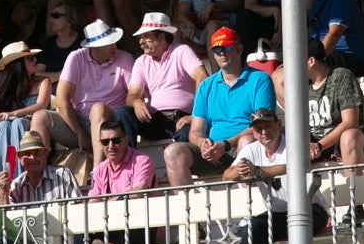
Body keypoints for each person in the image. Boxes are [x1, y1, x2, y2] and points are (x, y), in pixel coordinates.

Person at [224, 106, 329, 244]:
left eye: (268, 126)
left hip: (312, 211)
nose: (264, 132)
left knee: (252, 228)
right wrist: (241, 170)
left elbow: (294, 166)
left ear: (279, 125)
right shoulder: (252, 149)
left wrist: (258, 171)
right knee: (249, 232)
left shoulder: (293, 144)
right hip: (280, 215)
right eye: (258, 129)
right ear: (254, 133)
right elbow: (226, 176)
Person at [163, 28, 276, 187]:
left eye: (228, 48)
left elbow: (263, 125)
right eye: (217, 49)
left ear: (239, 49)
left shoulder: (260, 79)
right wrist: (204, 144)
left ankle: (251, 207)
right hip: (216, 150)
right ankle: (188, 209)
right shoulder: (206, 86)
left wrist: (225, 144)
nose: (222, 53)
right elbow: (195, 132)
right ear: (213, 54)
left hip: (244, 146)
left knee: (247, 142)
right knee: (173, 152)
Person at [50, 19, 133, 166]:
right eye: (108, 43)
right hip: (79, 121)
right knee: (40, 118)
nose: (114, 46)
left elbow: (133, 94)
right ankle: (41, 178)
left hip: (112, 120)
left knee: (98, 108)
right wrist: (81, 134)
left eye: (114, 41)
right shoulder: (76, 58)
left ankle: (98, 173)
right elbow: (62, 99)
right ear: (94, 47)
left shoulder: (125, 58)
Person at [119, 12, 207, 145]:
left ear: (161, 37)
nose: (141, 41)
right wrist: (136, 102)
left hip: (184, 118)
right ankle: (130, 162)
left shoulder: (181, 51)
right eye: (141, 37)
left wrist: (196, 115)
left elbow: (202, 78)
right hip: (155, 119)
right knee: (124, 113)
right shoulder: (141, 61)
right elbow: (132, 95)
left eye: (146, 37)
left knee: (186, 138)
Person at [0, 41, 53, 176]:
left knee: (17, 122)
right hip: (10, 142)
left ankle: (21, 175)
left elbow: (41, 105)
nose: (35, 60)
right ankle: (3, 176)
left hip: (35, 132)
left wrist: (13, 114)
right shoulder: (5, 89)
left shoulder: (43, 81)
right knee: (4, 125)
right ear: (18, 64)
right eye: (30, 58)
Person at [306, 39, 364, 164]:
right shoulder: (300, 85)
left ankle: (354, 183)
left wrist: (319, 145)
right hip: (318, 144)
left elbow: (350, 122)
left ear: (311, 61)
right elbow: (277, 79)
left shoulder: (341, 76)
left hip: (355, 138)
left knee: (348, 138)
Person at [0, 129, 82, 207]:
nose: (33, 157)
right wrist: (3, 191)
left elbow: (78, 208)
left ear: (45, 155)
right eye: (28, 154)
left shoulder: (63, 175)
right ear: (20, 159)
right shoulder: (16, 185)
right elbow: (7, 218)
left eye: (37, 153)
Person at [38, 0, 84, 84]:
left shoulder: (83, 40)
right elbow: (36, 74)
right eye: (51, 16)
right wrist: (59, 75)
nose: (51, 20)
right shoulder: (49, 43)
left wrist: (54, 76)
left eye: (56, 16)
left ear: (70, 18)